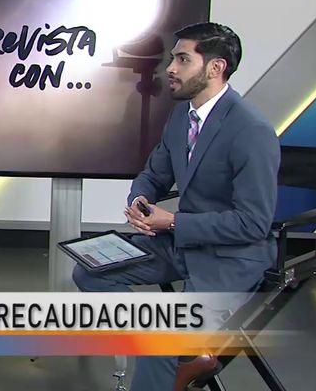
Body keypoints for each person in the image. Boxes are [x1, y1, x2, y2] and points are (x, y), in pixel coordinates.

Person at [72, 22, 280, 389]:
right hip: (182, 244)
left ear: (215, 68)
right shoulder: (182, 116)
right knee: (90, 272)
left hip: (232, 257)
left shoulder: (251, 130)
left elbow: (253, 223)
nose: (170, 68)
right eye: (173, 59)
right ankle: (179, 351)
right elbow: (154, 173)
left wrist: (172, 223)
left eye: (183, 60)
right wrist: (140, 200)